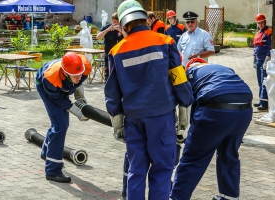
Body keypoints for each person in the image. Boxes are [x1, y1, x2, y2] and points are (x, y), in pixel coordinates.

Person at [105, 1, 193, 199]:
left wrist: (117, 122)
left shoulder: (116, 51)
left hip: (134, 119)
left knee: (136, 170)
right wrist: (184, 111)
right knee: (162, 170)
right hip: (161, 118)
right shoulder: (166, 42)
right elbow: (178, 78)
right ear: (145, 19)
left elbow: (112, 90)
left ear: (124, 25)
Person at [170, 58, 253, 200]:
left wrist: (185, 135)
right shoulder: (223, 68)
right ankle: (230, 196)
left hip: (215, 109)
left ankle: (177, 197)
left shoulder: (190, 73)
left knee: (194, 157)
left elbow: (190, 104)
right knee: (229, 153)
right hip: (245, 109)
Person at [36, 52, 92, 183]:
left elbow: (77, 84)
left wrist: (80, 98)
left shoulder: (84, 67)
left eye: (80, 74)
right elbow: (59, 99)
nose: (79, 77)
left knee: (63, 125)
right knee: (60, 126)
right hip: (47, 89)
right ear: (66, 73)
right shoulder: (50, 78)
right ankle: (52, 171)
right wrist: (75, 110)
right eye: (74, 75)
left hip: (60, 86)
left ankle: (46, 152)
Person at [96, 12, 127, 82]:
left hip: (120, 55)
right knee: (108, 74)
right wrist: (107, 30)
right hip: (109, 55)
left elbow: (128, 39)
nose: (116, 24)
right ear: (111, 21)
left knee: (120, 74)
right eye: (114, 22)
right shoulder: (107, 27)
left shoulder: (123, 28)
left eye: (118, 22)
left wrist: (122, 31)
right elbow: (98, 37)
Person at [253, 13, 272, 111]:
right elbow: (255, 48)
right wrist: (254, 60)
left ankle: (264, 103)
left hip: (265, 60)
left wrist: (267, 60)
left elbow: (269, 46)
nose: (260, 25)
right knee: (260, 82)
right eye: (259, 23)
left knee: (264, 81)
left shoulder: (269, 32)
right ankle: (261, 100)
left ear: (265, 22)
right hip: (258, 60)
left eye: (262, 22)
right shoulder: (258, 33)